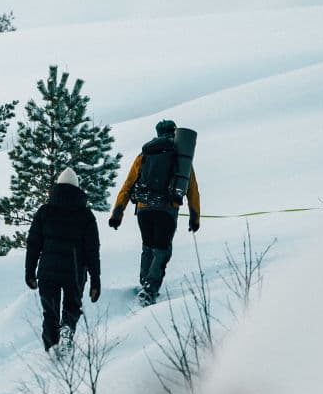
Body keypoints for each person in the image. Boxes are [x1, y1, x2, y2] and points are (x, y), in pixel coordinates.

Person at [110, 119, 202, 304]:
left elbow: (128, 185)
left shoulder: (144, 155)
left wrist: (117, 213)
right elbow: (192, 189)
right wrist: (194, 217)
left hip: (144, 209)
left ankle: (145, 283)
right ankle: (149, 290)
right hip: (167, 209)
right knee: (162, 250)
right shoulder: (180, 157)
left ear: (158, 133)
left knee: (148, 247)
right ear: (174, 133)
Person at [25, 168, 101, 352]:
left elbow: (33, 244)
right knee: (71, 306)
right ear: (77, 188)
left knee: (50, 311)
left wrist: (30, 272)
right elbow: (92, 251)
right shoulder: (86, 215)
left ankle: (51, 348)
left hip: (48, 269)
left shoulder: (44, 211)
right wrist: (95, 281)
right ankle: (66, 330)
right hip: (74, 270)